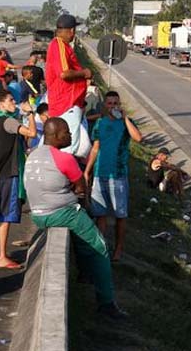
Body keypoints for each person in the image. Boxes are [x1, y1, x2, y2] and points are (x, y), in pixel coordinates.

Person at [24, 117, 126, 318]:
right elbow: (81, 187)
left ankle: (85, 274)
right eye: (66, 133)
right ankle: (106, 304)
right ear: (54, 135)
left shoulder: (33, 155)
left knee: (82, 240)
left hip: (38, 215)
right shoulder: (65, 159)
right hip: (62, 213)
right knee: (100, 246)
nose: (70, 135)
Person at [83, 91, 142, 262]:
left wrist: (125, 119)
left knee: (120, 215)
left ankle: (119, 248)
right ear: (105, 105)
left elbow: (138, 138)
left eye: (116, 103)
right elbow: (95, 148)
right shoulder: (100, 123)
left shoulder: (126, 123)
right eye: (110, 103)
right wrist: (87, 171)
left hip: (118, 175)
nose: (113, 106)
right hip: (101, 173)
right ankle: (102, 248)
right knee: (100, 214)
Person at [0, 91, 37, 269]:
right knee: (6, 216)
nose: (14, 103)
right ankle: (2, 257)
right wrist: (31, 113)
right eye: (10, 100)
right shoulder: (9, 122)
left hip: (1, 173)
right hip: (10, 173)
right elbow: (32, 133)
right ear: (1, 104)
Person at [45, 14, 93, 117]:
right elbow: (64, 74)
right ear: (72, 30)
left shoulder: (62, 45)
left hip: (69, 105)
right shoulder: (59, 45)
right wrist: (84, 73)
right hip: (65, 106)